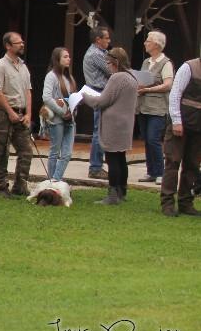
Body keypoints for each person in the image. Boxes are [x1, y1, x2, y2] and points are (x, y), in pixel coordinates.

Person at [82, 48, 138, 205]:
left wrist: (84, 96)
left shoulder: (117, 78)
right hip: (126, 124)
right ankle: (121, 191)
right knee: (121, 158)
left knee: (112, 158)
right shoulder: (132, 77)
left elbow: (102, 101)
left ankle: (112, 194)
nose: (107, 66)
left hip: (114, 125)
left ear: (116, 62)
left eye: (108, 63)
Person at [0, 32, 32, 197]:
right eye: (18, 42)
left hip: (20, 113)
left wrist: (28, 114)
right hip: (2, 113)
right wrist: (10, 112)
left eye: (22, 42)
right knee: (2, 150)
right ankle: (2, 187)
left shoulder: (23, 66)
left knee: (26, 150)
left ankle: (20, 186)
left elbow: (28, 91)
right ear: (8, 46)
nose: (22, 44)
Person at [160, 56, 201, 216]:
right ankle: (167, 203)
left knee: (192, 165)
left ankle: (186, 203)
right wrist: (176, 121)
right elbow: (175, 94)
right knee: (173, 162)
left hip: (198, 127)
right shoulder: (189, 67)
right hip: (181, 123)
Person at [136, 31, 173, 184]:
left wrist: (148, 89)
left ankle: (160, 172)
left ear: (157, 44)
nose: (145, 43)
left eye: (148, 41)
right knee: (146, 139)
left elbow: (168, 85)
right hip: (142, 106)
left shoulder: (166, 63)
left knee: (153, 139)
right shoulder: (146, 62)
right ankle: (151, 171)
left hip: (158, 108)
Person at [41, 47, 77, 181]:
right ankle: (53, 181)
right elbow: (46, 97)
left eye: (69, 56)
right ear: (57, 59)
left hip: (70, 119)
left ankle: (55, 179)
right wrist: (62, 112)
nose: (68, 59)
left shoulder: (69, 77)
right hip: (57, 119)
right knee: (54, 152)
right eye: (65, 57)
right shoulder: (51, 76)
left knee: (67, 154)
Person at [83, 26, 112, 179]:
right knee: (99, 131)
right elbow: (112, 70)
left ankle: (98, 165)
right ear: (98, 40)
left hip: (102, 92)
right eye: (106, 38)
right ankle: (95, 167)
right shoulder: (96, 54)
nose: (109, 40)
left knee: (102, 129)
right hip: (99, 92)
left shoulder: (102, 52)